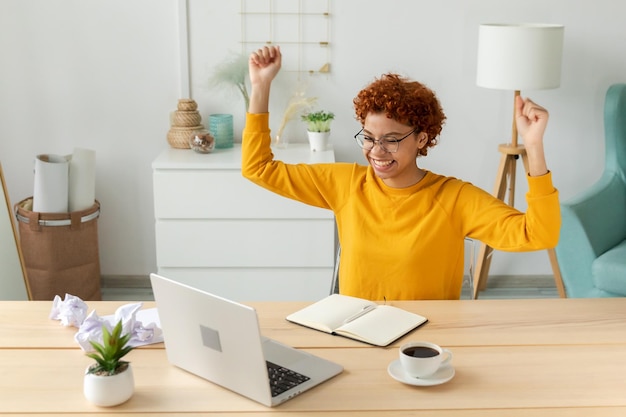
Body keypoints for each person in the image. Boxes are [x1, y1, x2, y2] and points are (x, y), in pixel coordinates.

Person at [242, 45, 560, 300]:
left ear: (422, 139)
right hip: (358, 334)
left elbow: (539, 233)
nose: (376, 151)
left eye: (391, 140)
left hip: (425, 345)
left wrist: (533, 146)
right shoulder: (346, 184)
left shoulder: (454, 198)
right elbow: (258, 168)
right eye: (368, 138)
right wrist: (261, 86)